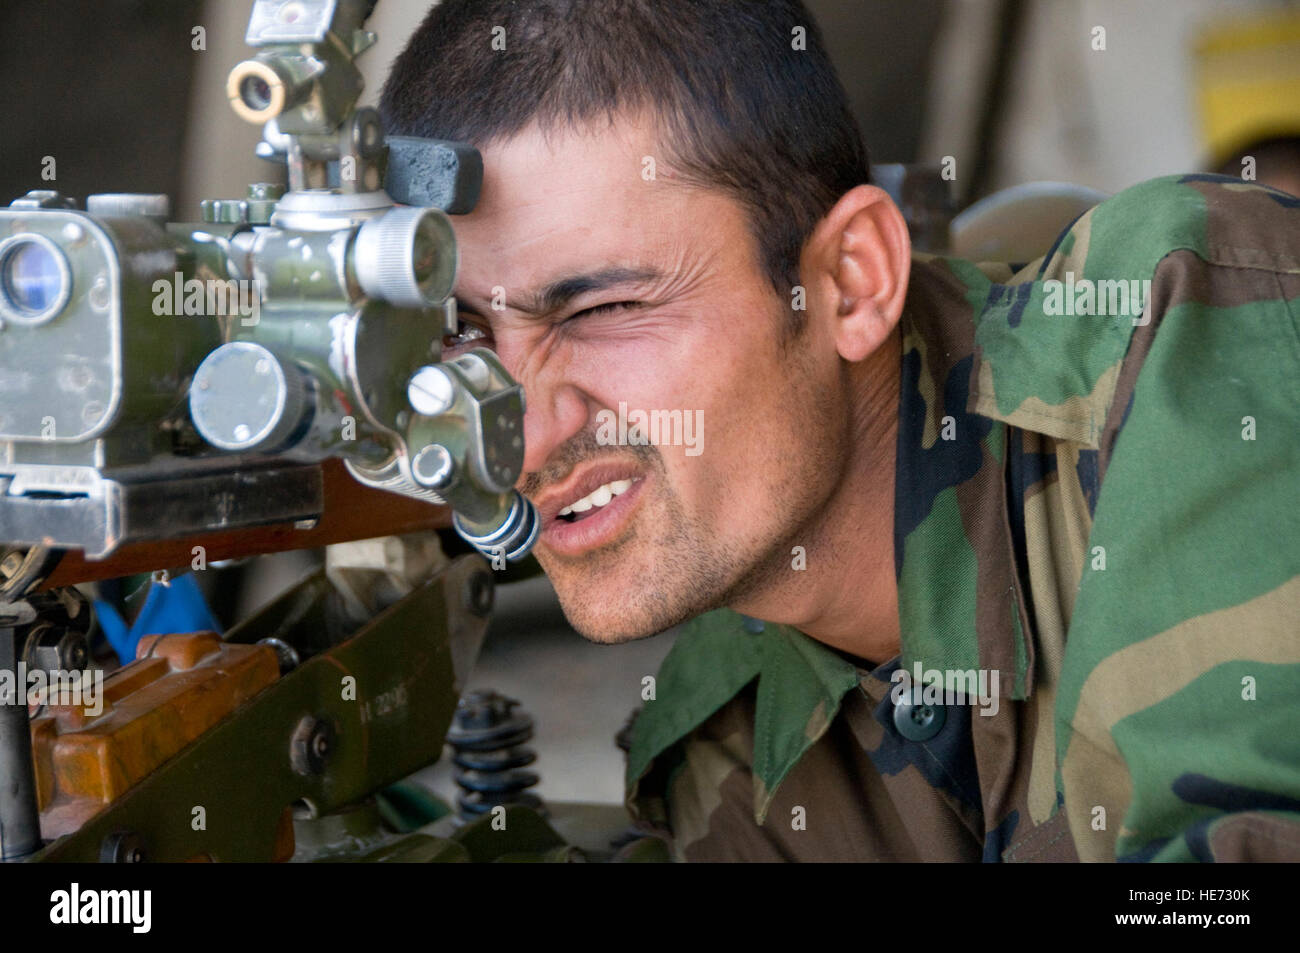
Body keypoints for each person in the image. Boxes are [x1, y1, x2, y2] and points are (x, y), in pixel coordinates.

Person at [381, 0, 1300, 861]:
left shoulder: (1182, 328)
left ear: (850, 282)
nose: (523, 437)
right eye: (466, 336)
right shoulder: (725, 740)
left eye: (604, 309)